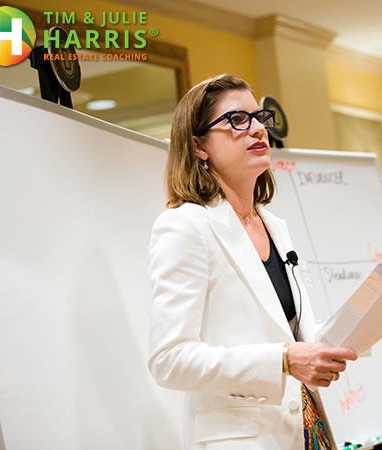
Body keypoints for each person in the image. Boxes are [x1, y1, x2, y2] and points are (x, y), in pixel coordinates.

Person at [147, 73, 358, 450]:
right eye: (237, 120)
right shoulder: (185, 226)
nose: (258, 129)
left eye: (260, 117)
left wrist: (370, 310)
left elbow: (295, 336)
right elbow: (169, 359)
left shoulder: (275, 226)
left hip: (306, 429)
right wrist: (282, 360)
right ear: (199, 146)